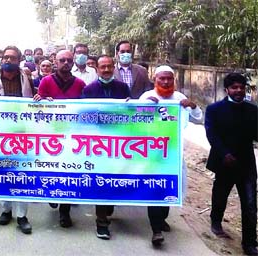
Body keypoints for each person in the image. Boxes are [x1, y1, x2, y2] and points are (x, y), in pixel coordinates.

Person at [139, 65, 203, 246]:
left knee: (168, 189)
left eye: (169, 79)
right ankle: (156, 230)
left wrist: (193, 105)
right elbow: (135, 120)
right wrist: (145, 107)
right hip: (151, 153)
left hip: (173, 153)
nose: (166, 82)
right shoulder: (147, 97)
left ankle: (162, 218)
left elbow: (199, 118)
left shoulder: (179, 98)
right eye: (162, 79)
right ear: (155, 80)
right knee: (154, 189)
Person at [205, 73, 258, 256]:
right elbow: (212, 135)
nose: (239, 91)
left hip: (247, 164)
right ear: (226, 89)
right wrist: (224, 153)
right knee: (220, 195)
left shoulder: (253, 110)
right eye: (234, 87)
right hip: (224, 162)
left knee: (250, 203)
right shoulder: (214, 109)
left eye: (241, 87)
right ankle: (216, 222)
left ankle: (250, 243)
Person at [34, 50, 86, 228]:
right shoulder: (46, 81)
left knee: (68, 172)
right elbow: (39, 106)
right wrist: (39, 100)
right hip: (50, 135)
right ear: (56, 62)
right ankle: (52, 194)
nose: (65, 63)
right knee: (51, 168)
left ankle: (65, 211)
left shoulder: (80, 83)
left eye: (68, 60)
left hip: (72, 136)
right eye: (62, 60)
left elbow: (85, 109)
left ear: (73, 63)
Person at [0, 45, 33, 234]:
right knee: (2, 171)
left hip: (22, 132)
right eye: (5, 57)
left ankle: (22, 216)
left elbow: (34, 101)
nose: (7, 60)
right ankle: (5, 210)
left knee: (21, 174)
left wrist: (36, 98)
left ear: (19, 60)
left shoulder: (27, 78)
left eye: (12, 58)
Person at [83, 55, 131, 240]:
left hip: (118, 144)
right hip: (97, 145)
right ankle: (101, 223)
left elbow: (131, 112)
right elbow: (84, 116)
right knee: (101, 181)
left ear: (113, 67)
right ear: (96, 68)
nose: (106, 70)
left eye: (109, 66)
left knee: (115, 179)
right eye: (102, 67)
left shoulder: (122, 87)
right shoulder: (89, 89)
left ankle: (108, 207)